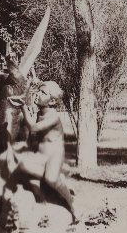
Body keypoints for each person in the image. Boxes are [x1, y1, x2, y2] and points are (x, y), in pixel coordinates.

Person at [5, 80, 77, 219]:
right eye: (39, 90)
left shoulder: (53, 116)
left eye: (43, 93)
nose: (38, 94)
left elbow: (33, 127)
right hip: (41, 154)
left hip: (54, 155)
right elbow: (33, 132)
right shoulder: (40, 113)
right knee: (22, 167)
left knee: (50, 178)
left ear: (52, 101)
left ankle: (73, 207)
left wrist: (23, 107)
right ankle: (41, 200)